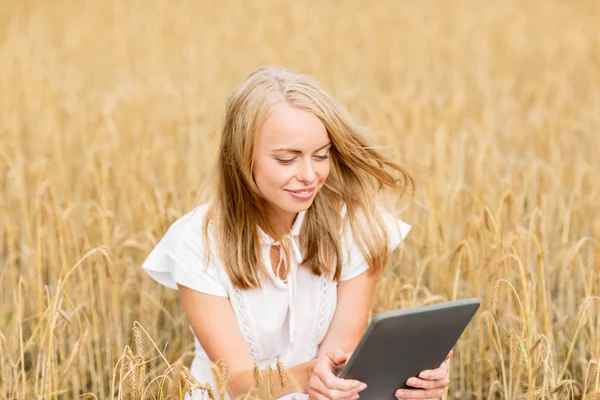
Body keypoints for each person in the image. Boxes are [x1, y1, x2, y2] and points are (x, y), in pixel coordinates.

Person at [141, 66, 451, 400]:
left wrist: (409, 378)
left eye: (321, 155)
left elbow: (339, 363)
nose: (309, 175)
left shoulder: (359, 226)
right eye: (287, 159)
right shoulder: (195, 242)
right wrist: (312, 375)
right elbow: (237, 382)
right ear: (242, 158)